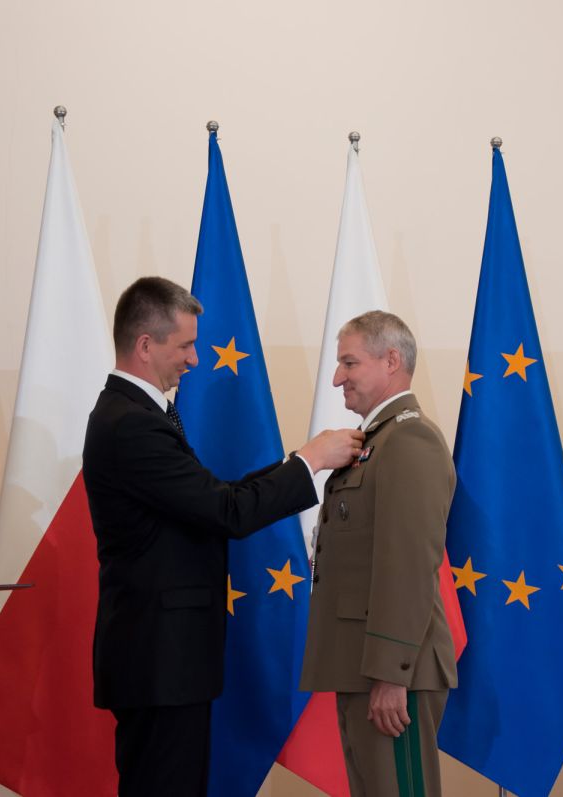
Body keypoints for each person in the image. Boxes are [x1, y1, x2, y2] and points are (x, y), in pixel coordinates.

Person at [82, 276, 364, 797]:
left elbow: (213, 497)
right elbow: (225, 511)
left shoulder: (137, 414)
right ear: (145, 345)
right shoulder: (131, 424)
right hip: (159, 662)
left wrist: (298, 461)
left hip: (164, 661)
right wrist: (310, 462)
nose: (194, 359)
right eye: (185, 345)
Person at [300, 310, 457, 797]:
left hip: (393, 674)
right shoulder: (376, 441)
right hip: (363, 666)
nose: (337, 378)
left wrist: (391, 676)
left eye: (349, 363)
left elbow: (408, 567)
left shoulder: (408, 439)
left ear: (391, 361)